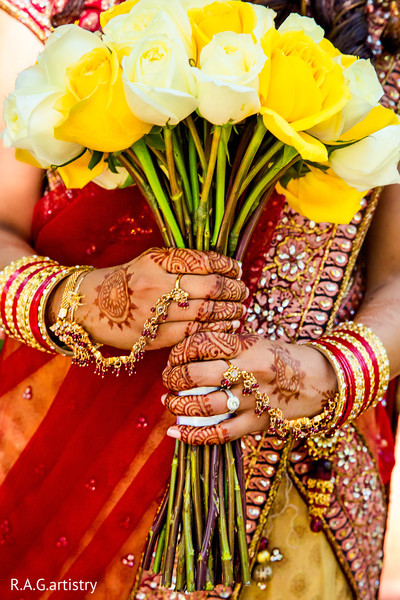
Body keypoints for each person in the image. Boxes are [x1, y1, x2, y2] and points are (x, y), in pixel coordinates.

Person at [0, 2, 399, 600]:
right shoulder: (48, 12)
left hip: (302, 476)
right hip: (59, 437)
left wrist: (320, 375)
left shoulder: (379, 28)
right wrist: (88, 301)